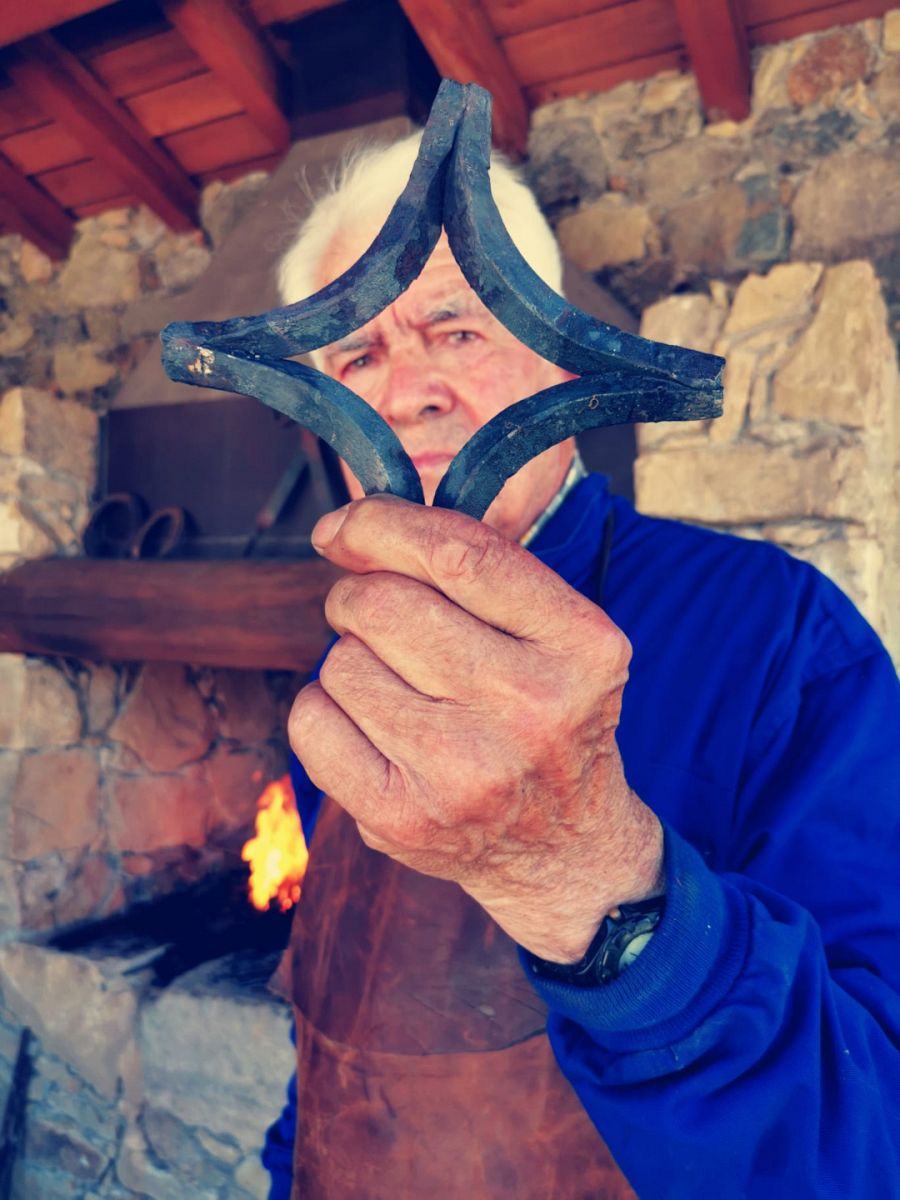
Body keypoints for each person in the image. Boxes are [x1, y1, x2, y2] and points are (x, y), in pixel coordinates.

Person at [262, 132, 900, 1200]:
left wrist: (591, 881)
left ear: (562, 359)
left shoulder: (778, 636)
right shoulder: (350, 661)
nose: (403, 391)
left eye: (454, 326)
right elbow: (328, 1040)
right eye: (355, 356)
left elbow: (870, 1147)